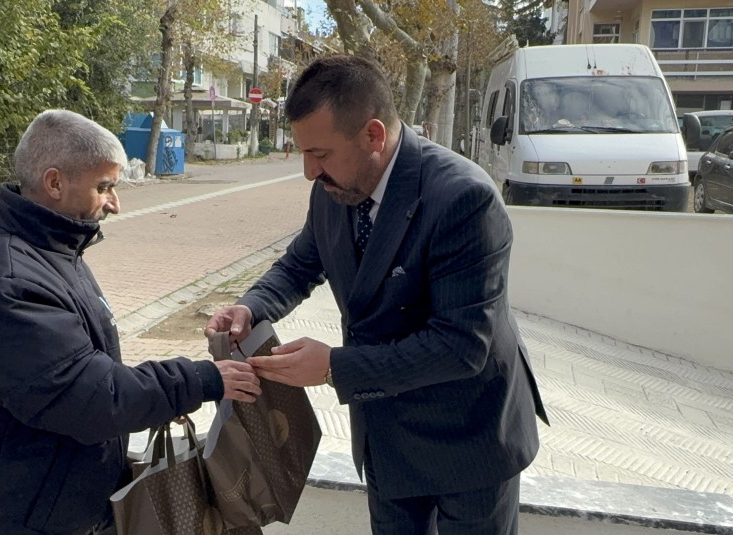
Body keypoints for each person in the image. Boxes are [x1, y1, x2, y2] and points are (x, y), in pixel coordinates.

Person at [205, 55, 548, 535]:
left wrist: (332, 368)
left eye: (320, 155)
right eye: (303, 153)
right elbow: (303, 262)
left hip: (469, 433)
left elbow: (462, 345)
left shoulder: (464, 198)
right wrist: (251, 306)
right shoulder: (333, 187)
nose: (308, 172)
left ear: (373, 135)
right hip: (386, 433)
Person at [0, 109, 261, 535]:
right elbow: (94, 398)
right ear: (55, 182)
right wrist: (200, 380)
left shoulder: (51, 250)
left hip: (52, 505)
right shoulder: (5, 284)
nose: (115, 203)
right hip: (16, 516)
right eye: (104, 187)